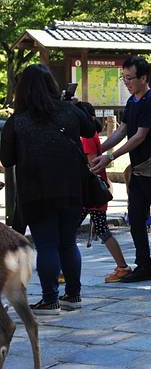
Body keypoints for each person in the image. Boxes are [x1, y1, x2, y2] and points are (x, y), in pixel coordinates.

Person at [0, 64, 94, 314]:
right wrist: (71, 104)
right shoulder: (69, 111)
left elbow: (6, 160)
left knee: (47, 244)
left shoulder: (17, 121)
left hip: (37, 191)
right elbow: (89, 129)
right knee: (68, 243)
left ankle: (50, 299)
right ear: (52, 85)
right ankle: (73, 295)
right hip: (72, 188)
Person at [91, 56, 151, 283]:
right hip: (138, 171)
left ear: (143, 78)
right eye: (124, 78)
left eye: (130, 78)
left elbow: (139, 136)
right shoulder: (132, 101)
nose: (126, 82)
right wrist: (99, 149)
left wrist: (110, 156)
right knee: (135, 219)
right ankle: (144, 265)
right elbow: (123, 130)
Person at [75, 101, 131, 283]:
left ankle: (64, 270)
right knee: (101, 229)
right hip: (94, 193)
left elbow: (92, 165)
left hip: (89, 194)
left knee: (69, 230)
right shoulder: (93, 135)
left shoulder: (86, 138)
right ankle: (122, 267)